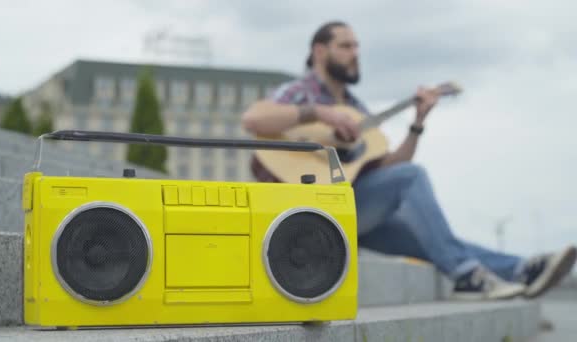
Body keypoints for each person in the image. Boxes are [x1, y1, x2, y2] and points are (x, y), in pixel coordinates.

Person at [241, 21, 576, 300]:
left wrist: (418, 123)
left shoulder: (357, 109)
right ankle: (468, 275)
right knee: (414, 178)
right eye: (346, 45)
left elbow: (387, 168)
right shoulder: (301, 91)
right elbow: (254, 119)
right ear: (319, 51)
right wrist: (319, 112)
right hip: (308, 210)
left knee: (429, 235)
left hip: (352, 211)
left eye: (357, 46)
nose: (355, 53)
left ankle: (521, 269)